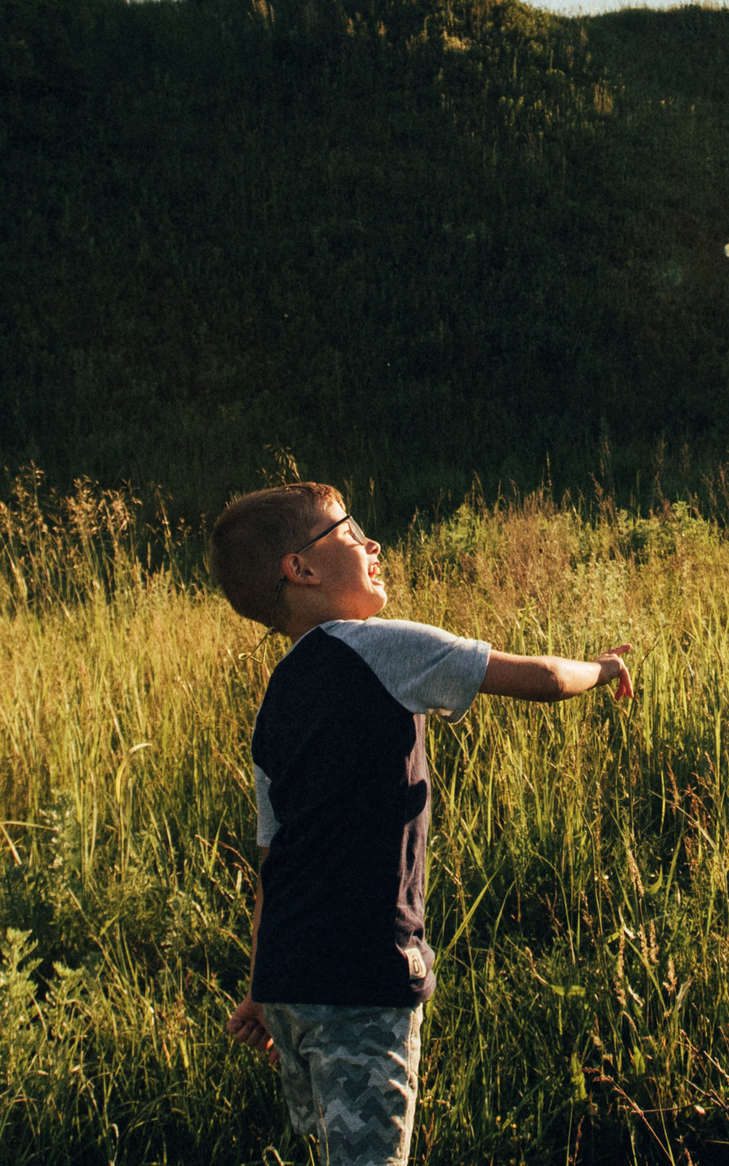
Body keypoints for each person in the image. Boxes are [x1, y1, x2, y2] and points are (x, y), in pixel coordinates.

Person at [207, 481, 633, 1165]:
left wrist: (262, 987)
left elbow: (274, 861)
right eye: (349, 532)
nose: (371, 543)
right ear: (302, 567)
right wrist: (603, 666)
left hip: (290, 982)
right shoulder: (378, 647)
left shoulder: (274, 700)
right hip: (361, 976)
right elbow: (544, 678)